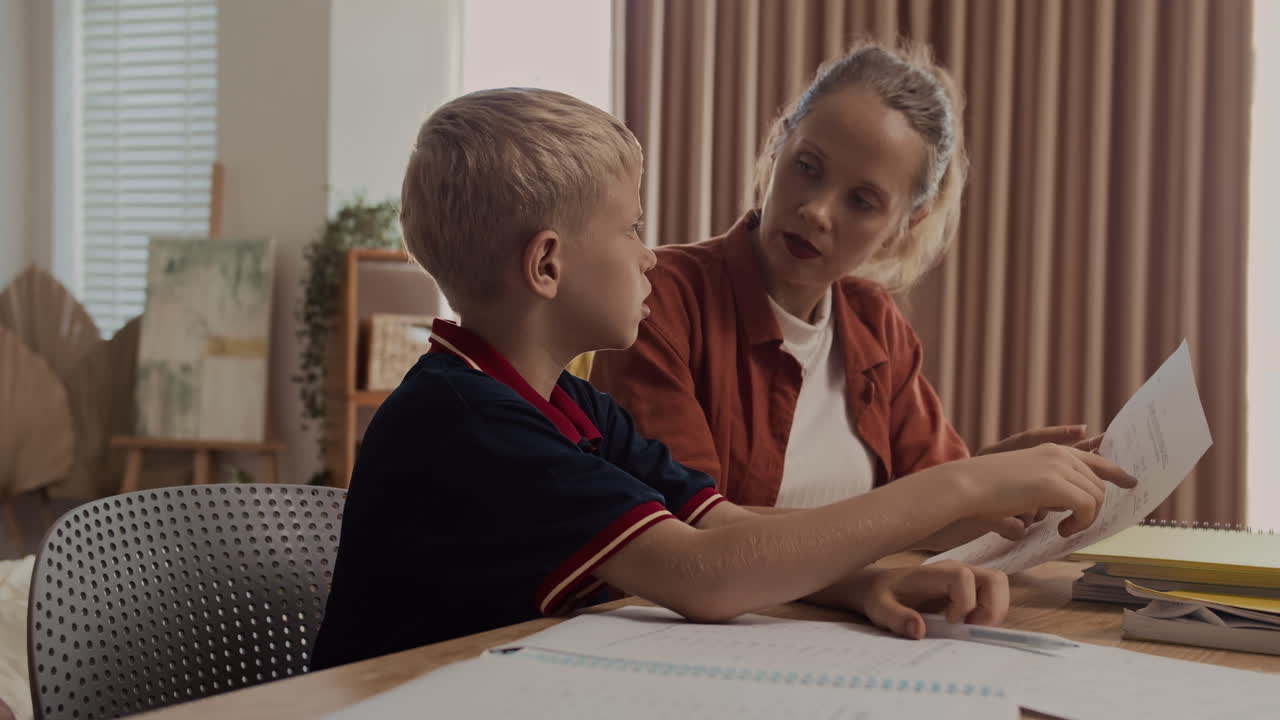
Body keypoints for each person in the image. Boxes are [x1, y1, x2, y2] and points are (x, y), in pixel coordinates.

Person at [310, 87, 1135, 671]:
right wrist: (963, 484)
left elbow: (724, 525)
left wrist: (859, 585)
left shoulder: (567, 404)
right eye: (633, 226)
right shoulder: (466, 423)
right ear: (549, 264)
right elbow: (705, 576)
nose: (649, 253)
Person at [591, 41, 1094, 548]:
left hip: (840, 623)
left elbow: (939, 508)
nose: (818, 211)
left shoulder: (876, 325)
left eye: (862, 200)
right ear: (778, 145)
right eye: (808, 166)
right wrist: (956, 493)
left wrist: (998, 480)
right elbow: (687, 529)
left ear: (904, 225)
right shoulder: (660, 302)